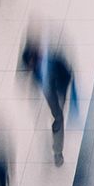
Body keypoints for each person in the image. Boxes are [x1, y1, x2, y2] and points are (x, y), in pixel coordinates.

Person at [19, 34, 78, 163]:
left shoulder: (53, 61)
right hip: (49, 90)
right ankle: (57, 148)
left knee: (58, 117)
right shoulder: (34, 64)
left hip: (59, 88)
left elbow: (67, 73)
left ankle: (57, 150)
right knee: (57, 116)